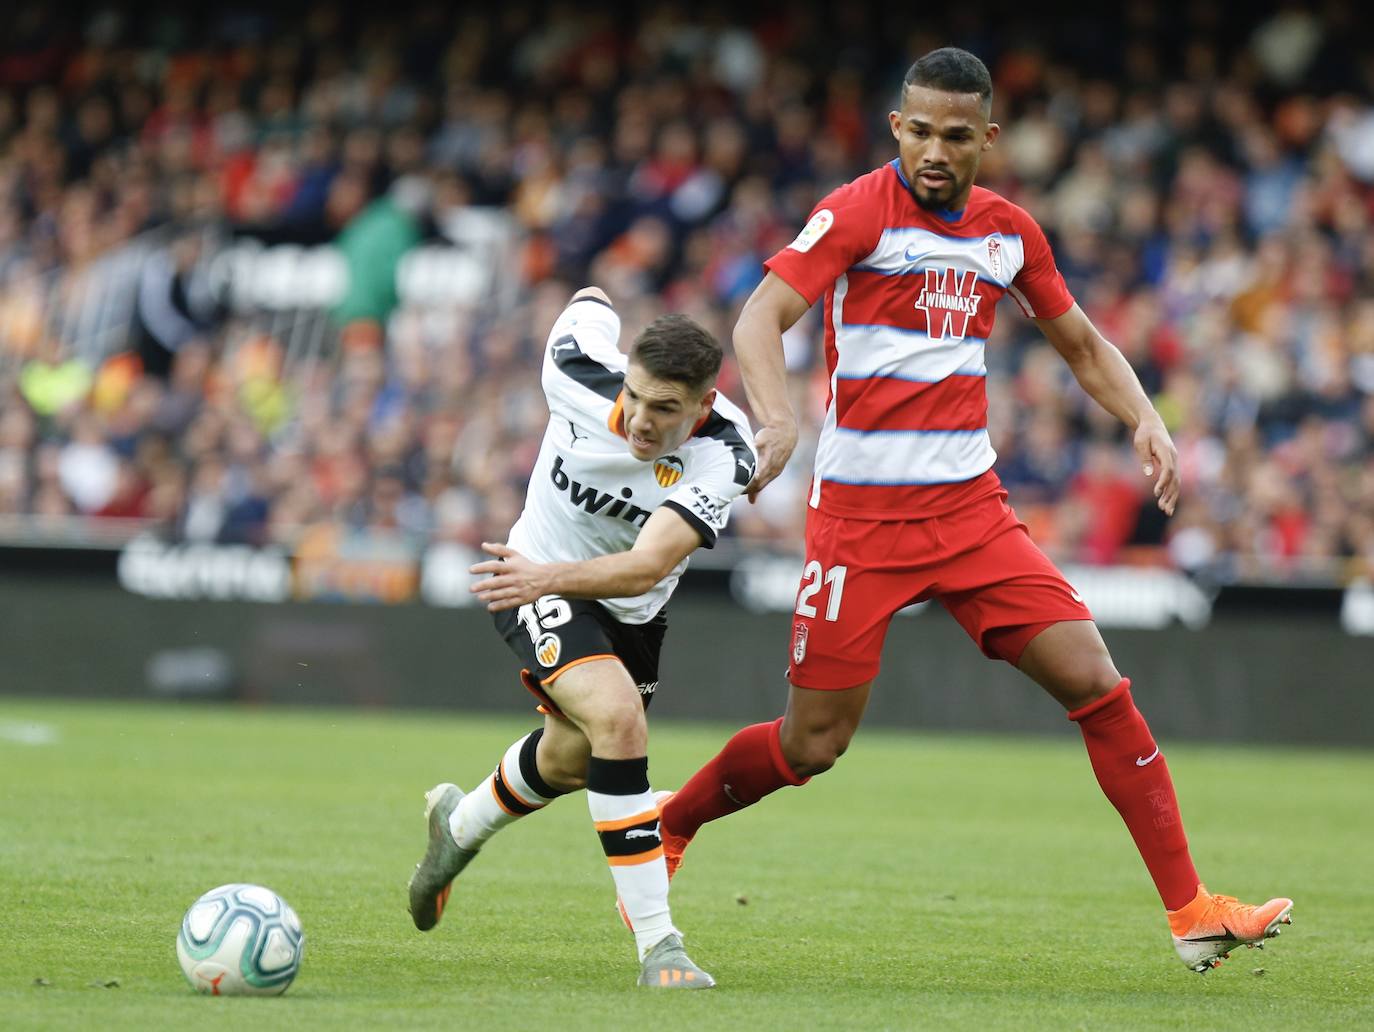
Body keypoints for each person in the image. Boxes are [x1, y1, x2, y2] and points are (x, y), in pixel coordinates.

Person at [656, 47, 1293, 974]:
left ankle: (1192, 911)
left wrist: (1145, 417)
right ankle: (671, 823)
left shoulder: (1009, 234)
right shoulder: (856, 211)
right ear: (897, 130)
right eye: (919, 132)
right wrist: (779, 416)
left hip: (970, 518)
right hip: (860, 528)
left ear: (988, 138)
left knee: (1098, 685)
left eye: (957, 136)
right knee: (811, 745)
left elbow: (1078, 341)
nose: (935, 151)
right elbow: (759, 317)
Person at [406, 286, 756, 990]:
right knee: (619, 720)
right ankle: (661, 948)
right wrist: (540, 581)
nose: (642, 423)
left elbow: (648, 565)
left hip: (626, 605)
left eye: (666, 410)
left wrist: (552, 578)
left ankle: (458, 826)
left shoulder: (724, 452)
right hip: (532, 575)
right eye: (637, 397)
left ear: (702, 406)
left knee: (570, 761)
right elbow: (589, 298)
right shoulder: (571, 366)